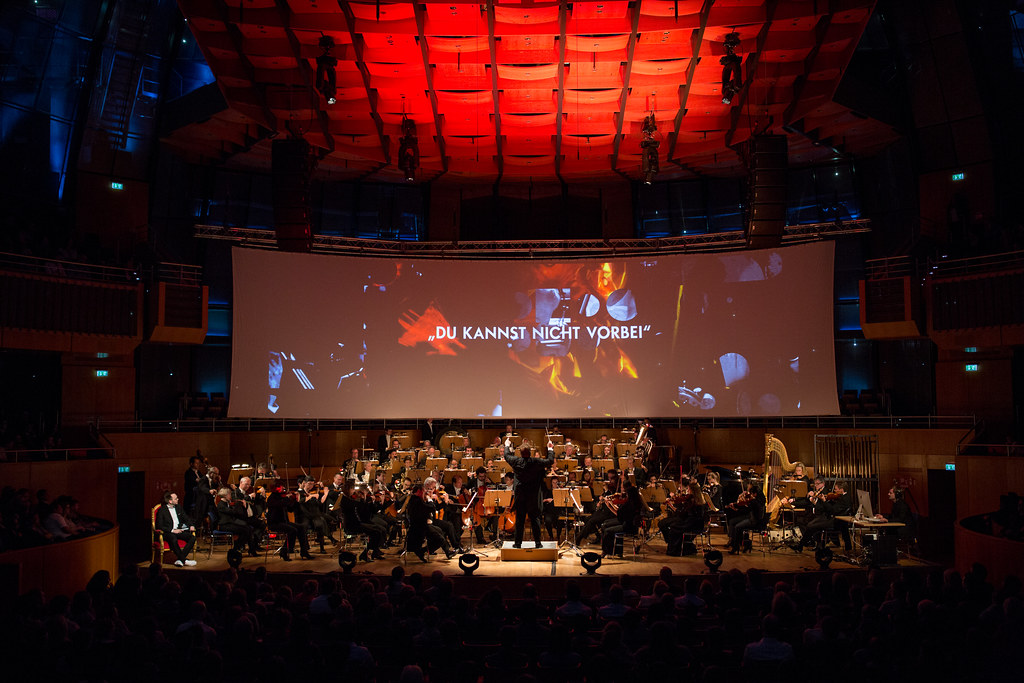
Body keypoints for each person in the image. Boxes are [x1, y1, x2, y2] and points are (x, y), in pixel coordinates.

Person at [503, 438, 555, 548]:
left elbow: (506, 456)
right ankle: (538, 543)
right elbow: (550, 460)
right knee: (535, 519)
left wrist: (507, 445)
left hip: (521, 496)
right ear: (530, 452)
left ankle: (518, 543)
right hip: (533, 497)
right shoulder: (536, 462)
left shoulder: (516, 461)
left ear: (521, 453)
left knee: (520, 520)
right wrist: (550, 448)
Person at [405, 484, 456, 560]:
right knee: (440, 539)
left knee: (440, 531)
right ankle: (422, 551)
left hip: (423, 524)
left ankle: (446, 551)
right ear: (419, 491)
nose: (425, 493)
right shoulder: (416, 500)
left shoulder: (417, 499)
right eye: (424, 491)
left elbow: (432, 508)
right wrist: (430, 500)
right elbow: (430, 508)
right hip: (419, 527)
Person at [265, 483, 312, 561]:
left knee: (301, 527)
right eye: (282, 488)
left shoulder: (282, 497)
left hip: (284, 522)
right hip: (274, 523)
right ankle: (285, 551)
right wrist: (287, 498)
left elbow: (290, 509)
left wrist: (295, 500)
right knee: (292, 530)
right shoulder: (272, 498)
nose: (284, 490)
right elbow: (280, 504)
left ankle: (304, 551)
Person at [155, 491, 197, 566]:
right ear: (170, 501)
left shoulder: (178, 507)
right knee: (173, 538)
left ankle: (180, 560)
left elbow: (186, 518)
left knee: (192, 538)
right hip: (168, 532)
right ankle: (184, 560)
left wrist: (191, 525)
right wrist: (172, 530)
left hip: (179, 530)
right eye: (176, 498)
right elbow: (159, 526)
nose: (178, 499)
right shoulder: (162, 510)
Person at [600, 482, 642, 557]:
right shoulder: (635, 503)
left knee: (607, 530)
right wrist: (611, 505)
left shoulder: (629, 504)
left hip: (627, 527)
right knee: (605, 524)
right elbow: (620, 513)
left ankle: (607, 551)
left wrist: (609, 505)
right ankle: (616, 551)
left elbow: (619, 515)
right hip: (630, 525)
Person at [215, 487, 258, 557]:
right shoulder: (221, 505)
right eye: (229, 494)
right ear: (225, 495)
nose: (230, 496)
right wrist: (238, 504)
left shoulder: (226, 503)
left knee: (248, 529)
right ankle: (236, 548)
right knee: (246, 530)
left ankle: (249, 549)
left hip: (230, 524)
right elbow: (233, 512)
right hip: (224, 525)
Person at [728, 480, 766, 554]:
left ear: (755, 494)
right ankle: (745, 543)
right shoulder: (756, 500)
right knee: (737, 524)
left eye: (751, 493)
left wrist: (736, 505)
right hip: (753, 519)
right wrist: (737, 505)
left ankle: (736, 547)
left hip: (754, 521)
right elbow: (746, 504)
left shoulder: (755, 501)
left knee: (737, 527)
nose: (750, 495)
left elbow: (747, 507)